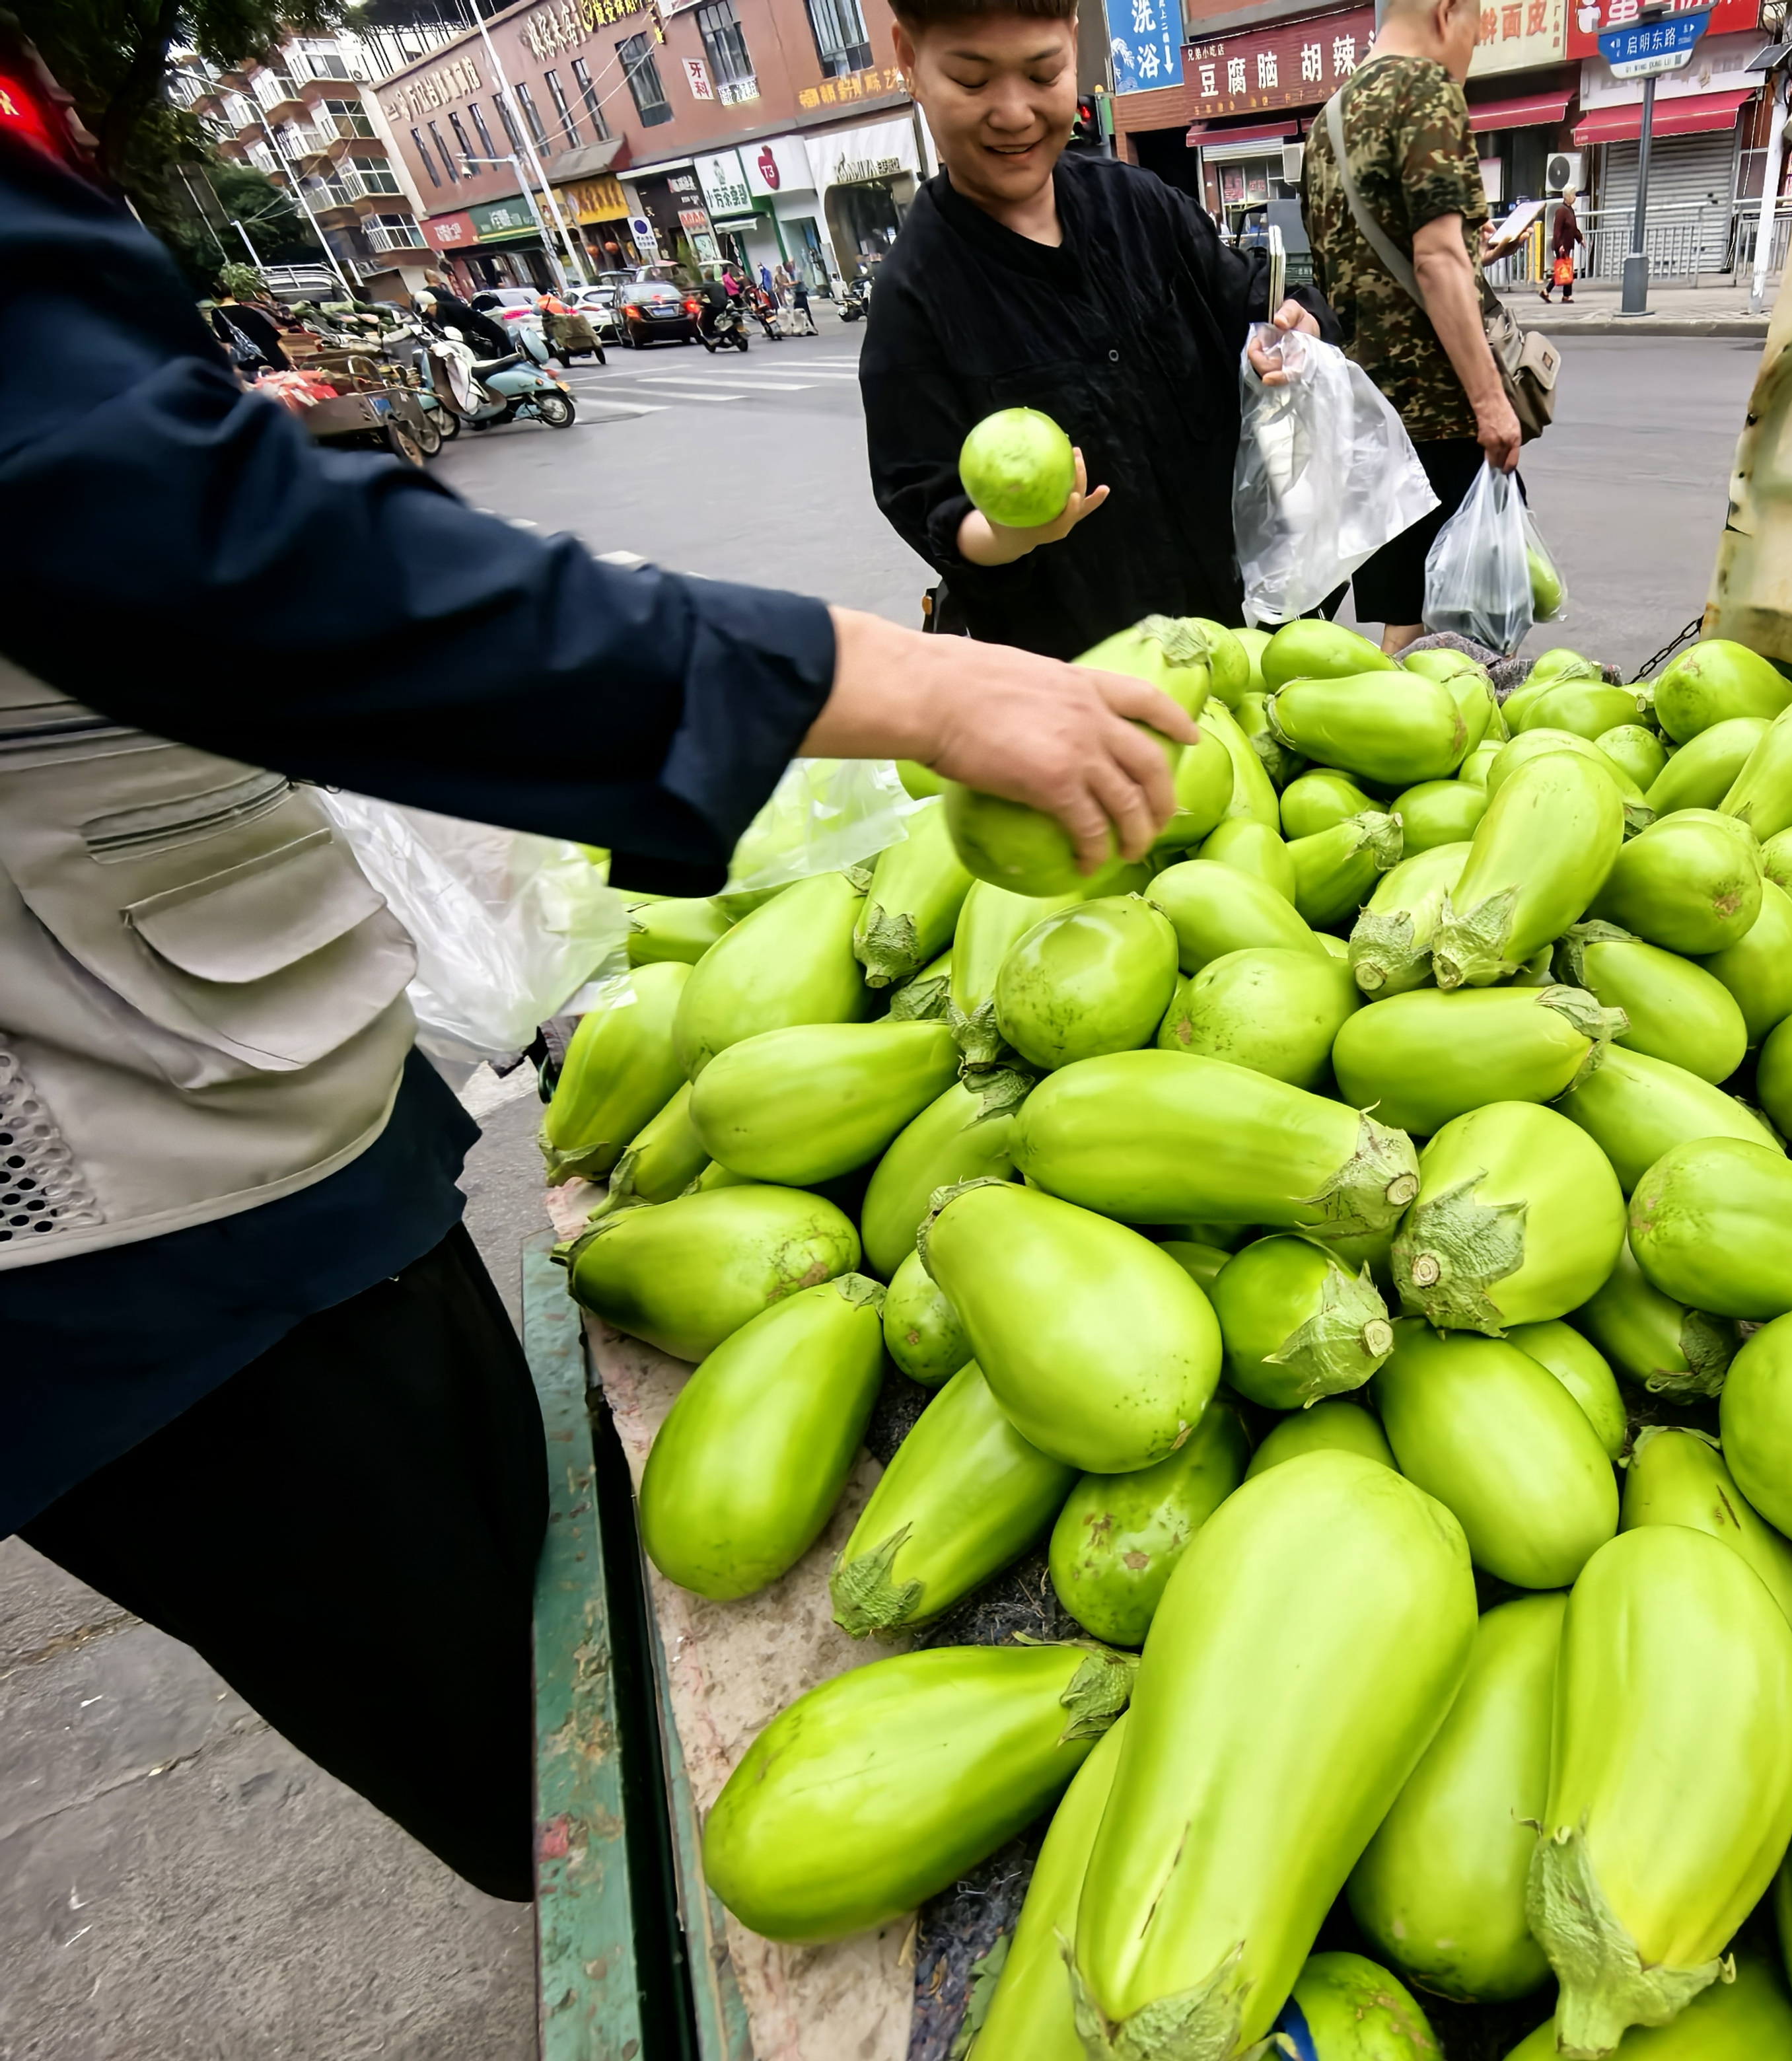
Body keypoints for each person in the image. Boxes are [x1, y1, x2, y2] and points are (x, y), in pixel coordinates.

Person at [0, 28, 1192, 1908]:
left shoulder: (1143, 215)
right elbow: (186, 530)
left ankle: (595, 1856)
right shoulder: (912, 289)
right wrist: (895, 678)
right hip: (99, 1221)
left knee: (535, 1583)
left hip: (248, 1104)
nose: (1029, 93)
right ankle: (588, 1882)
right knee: (510, 1726)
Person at [859, 0, 1332, 657]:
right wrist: (1012, 533)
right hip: (1085, 680)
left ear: (1072, 48)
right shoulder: (914, 295)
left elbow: (1253, 296)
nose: (1014, 112)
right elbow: (926, 498)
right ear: (909, 61)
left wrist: (1292, 324)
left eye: (1042, 73)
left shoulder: (1141, 206)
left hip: (1240, 638)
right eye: (972, 81)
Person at [1301, 0, 1524, 653]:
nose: (1469, 54)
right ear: (1447, 11)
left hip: (1368, 420)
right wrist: (1490, 406)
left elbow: (1356, 267)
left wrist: (1465, 255)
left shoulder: (1328, 121)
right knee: (1475, 621)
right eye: (1474, 34)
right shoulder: (1425, 89)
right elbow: (1432, 259)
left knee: (1407, 614)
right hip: (1441, 414)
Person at [1542, 188, 1581, 304]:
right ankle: (1556, 293)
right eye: (1573, 194)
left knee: (1566, 269)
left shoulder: (1570, 210)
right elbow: (1557, 230)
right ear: (1567, 196)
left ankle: (1559, 294)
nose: (1575, 197)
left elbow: (1573, 228)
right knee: (1564, 270)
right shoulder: (1561, 211)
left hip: (1567, 245)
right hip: (1562, 246)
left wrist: (1580, 239)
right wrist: (1560, 245)